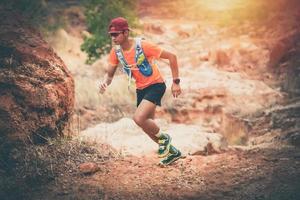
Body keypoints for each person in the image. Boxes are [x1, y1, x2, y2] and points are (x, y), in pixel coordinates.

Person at [99, 17, 182, 165]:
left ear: (125, 33)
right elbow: (110, 75)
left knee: (138, 118)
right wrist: (105, 83)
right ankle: (173, 152)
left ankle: (165, 139)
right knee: (146, 125)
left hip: (156, 85)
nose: (113, 38)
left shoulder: (143, 45)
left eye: (116, 34)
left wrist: (176, 82)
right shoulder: (115, 52)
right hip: (141, 89)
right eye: (111, 35)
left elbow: (172, 56)